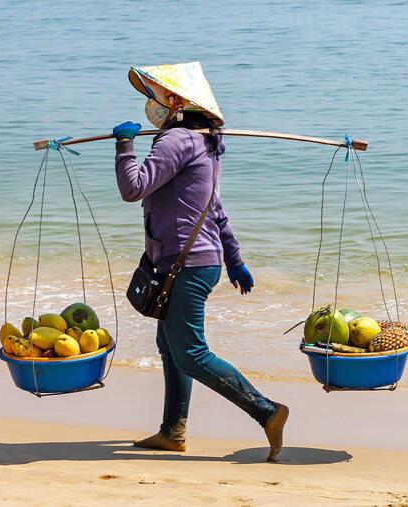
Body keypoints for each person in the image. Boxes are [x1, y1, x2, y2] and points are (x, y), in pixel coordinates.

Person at [113, 62, 288, 461]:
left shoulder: (176, 140)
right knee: (170, 346)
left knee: (190, 352)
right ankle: (172, 432)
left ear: (174, 103)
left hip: (185, 265)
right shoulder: (205, 144)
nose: (150, 105)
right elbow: (216, 212)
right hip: (194, 262)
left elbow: (133, 188)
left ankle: (267, 412)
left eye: (154, 97)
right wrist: (234, 261)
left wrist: (124, 147)